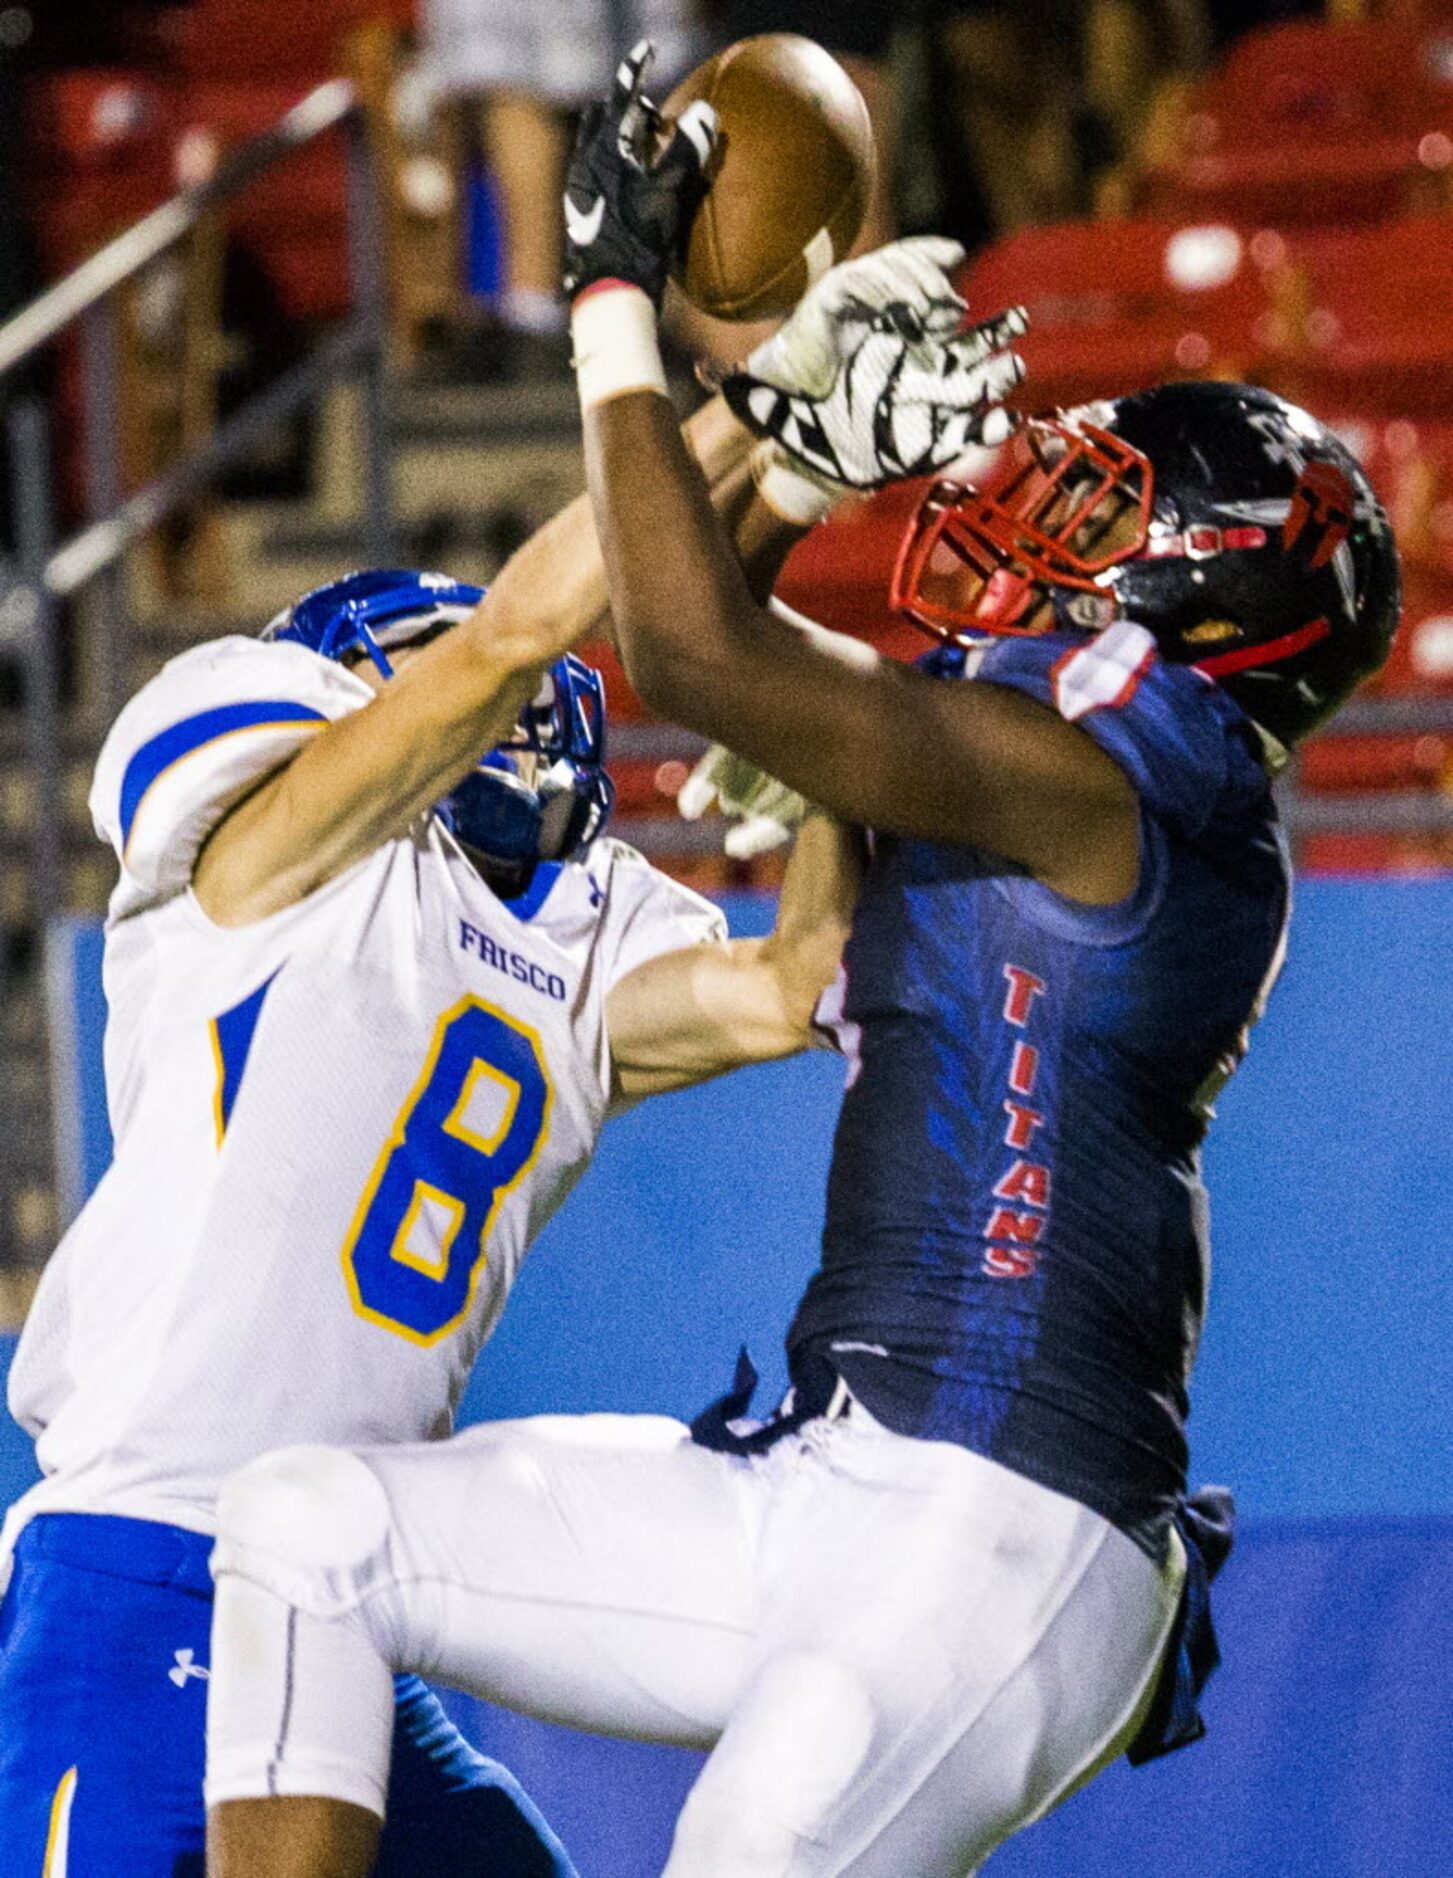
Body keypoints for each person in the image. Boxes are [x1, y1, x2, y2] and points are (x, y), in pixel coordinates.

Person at [201, 49, 1400, 1878]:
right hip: (826, 1473)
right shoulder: (1027, 743)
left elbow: (689, 653)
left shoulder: (1133, 788)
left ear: (1211, 599)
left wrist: (619, 308)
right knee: (304, 1532)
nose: (1039, 539)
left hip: (1021, 1525)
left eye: (1097, 524)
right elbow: (721, 640)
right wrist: (780, 446)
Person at [0, 362, 879, 1877]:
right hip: (143, 1561)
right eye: (428, 665)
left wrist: (809, 732)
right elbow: (504, 639)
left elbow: (801, 979)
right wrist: (762, 416)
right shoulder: (268, 850)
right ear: (342, 684)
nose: (524, 709)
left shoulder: (577, 935)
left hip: (347, 1593)